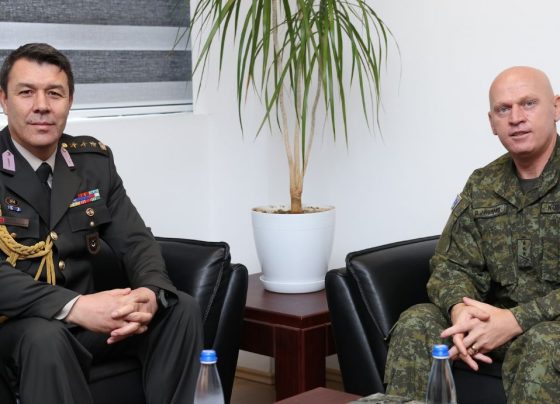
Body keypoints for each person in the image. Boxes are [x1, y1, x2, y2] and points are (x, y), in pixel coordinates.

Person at [0, 43, 203, 403]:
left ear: (70, 101)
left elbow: (136, 240)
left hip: (82, 324)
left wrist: (149, 292)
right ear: (3, 99)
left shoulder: (92, 162)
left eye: (55, 93)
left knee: (178, 309)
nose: (42, 105)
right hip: (16, 326)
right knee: (45, 338)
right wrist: (76, 307)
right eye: (26, 92)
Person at [384, 66, 560, 402]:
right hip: (494, 324)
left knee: (545, 343)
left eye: (528, 103)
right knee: (417, 321)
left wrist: (516, 319)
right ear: (492, 123)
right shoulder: (483, 184)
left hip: (548, 328)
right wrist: (459, 311)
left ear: (556, 107)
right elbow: (451, 266)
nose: (516, 118)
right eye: (503, 109)